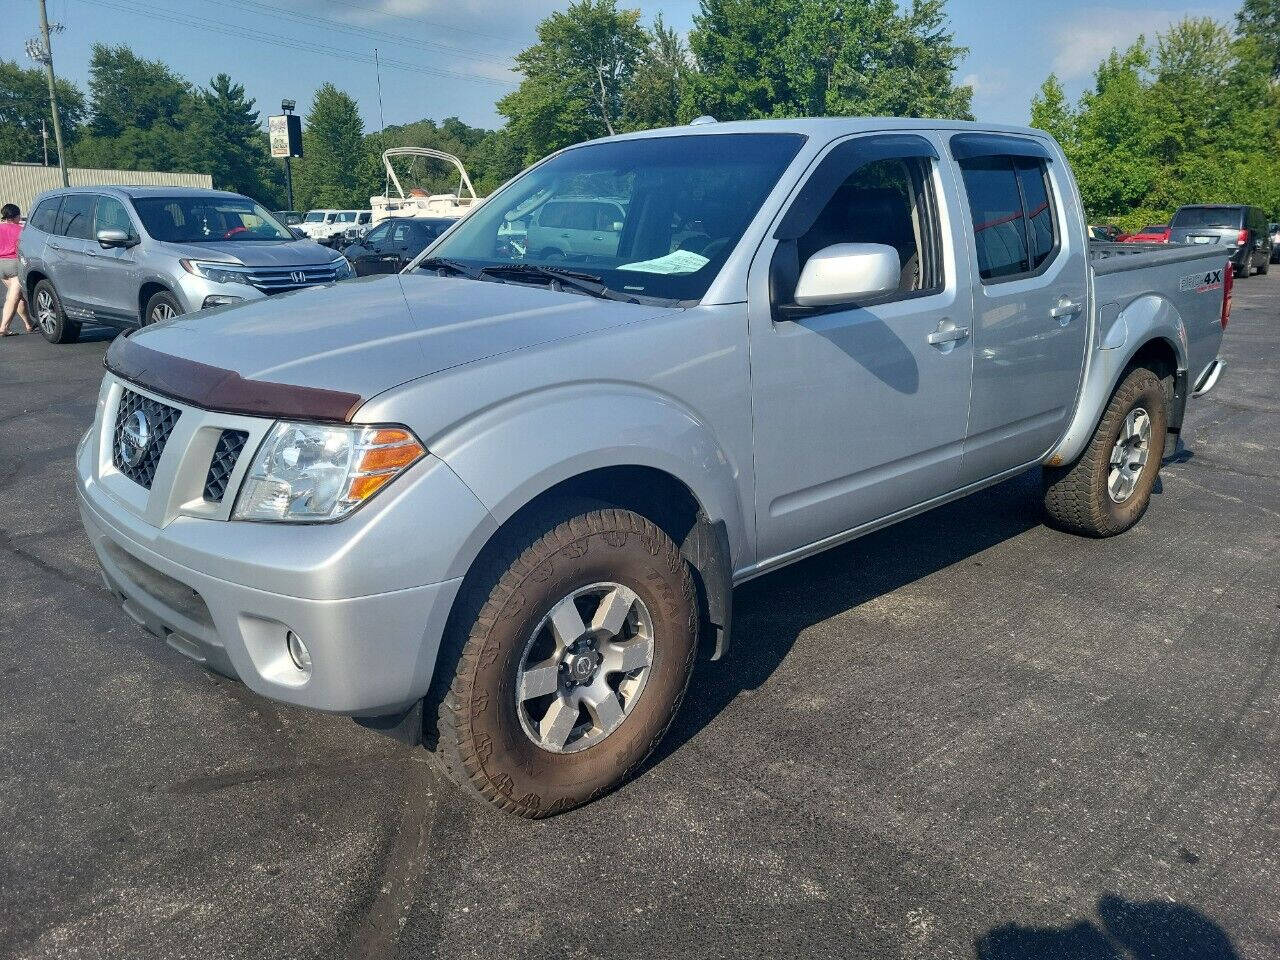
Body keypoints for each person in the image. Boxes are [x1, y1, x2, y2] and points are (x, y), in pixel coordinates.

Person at [0, 203, 34, 336]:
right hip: (15, 263)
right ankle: (4, 327)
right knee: (12, 298)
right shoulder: (21, 230)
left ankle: (29, 324)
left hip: (1, 265)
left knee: (18, 297)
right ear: (17, 216)